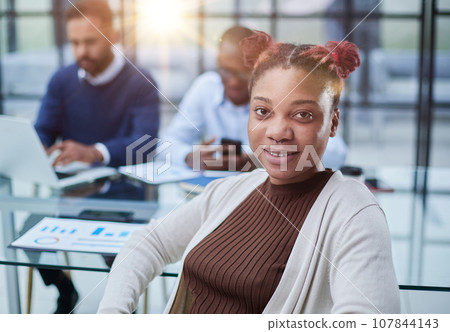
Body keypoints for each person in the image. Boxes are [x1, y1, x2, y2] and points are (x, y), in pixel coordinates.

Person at [98, 32, 400, 314]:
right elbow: (148, 242)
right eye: (262, 111)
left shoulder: (354, 212)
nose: (278, 132)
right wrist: (112, 314)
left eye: (302, 114)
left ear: (333, 123)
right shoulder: (232, 190)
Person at [31, 0, 160, 314]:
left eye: (89, 41)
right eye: (74, 43)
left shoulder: (139, 81)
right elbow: (43, 131)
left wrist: (95, 152)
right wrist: (32, 148)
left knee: (120, 253)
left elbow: (146, 144)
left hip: (127, 193)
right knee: (27, 233)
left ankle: (116, 310)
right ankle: (65, 289)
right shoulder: (62, 80)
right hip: (72, 191)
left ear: (112, 34)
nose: (81, 52)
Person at [159, 26, 347, 171]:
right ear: (217, 64)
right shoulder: (206, 87)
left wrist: (260, 158)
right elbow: (165, 143)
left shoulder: (280, 90)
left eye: (243, 73)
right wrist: (189, 157)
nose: (233, 82)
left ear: (260, 70)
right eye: (225, 70)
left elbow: (336, 153)